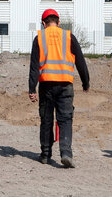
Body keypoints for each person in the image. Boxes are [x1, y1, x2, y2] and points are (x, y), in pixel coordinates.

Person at [28, 9, 90, 168]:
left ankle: (45, 154)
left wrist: (32, 89)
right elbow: (80, 62)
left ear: (43, 23)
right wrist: (85, 82)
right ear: (59, 22)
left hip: (46, 85)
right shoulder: (69, 37)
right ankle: (66, 153)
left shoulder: (39, 38)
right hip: (65, 84)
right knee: (65, 119)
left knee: (46, 119)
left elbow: (34, 67)